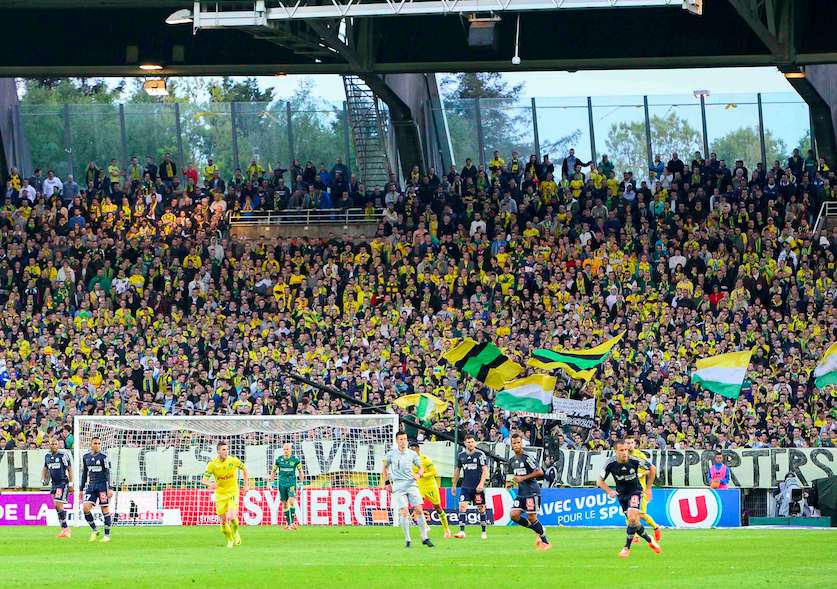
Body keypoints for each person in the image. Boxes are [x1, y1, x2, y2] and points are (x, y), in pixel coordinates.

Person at [597, 439, 662, 558]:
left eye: (626, 450)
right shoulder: (610, 464)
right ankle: (649, 540)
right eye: (621, 450)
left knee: (632, 516)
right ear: (615, 451)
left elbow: (652, 468)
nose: (625, 453)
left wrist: (648, 488)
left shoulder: (635, 460)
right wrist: (609, 490)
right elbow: (599, 481)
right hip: (621, 494)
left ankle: (626, 548)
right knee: (634, 522)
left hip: (635, 491)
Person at [382, 431, 433, 548]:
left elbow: (421, 468)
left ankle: (424, 537)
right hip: (398, 486)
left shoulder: (412, 454)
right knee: (404, 512)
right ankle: (408, 539)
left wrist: (419, 475)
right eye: (400, 439)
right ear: (396, 441)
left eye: (405, 439)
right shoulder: (391, 454)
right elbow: (384, 468)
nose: (403, 441)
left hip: (411, 484)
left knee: (419, 510)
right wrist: (387, 482)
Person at [507, 432, 550, 551]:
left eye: (518, 443)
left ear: (522, 443)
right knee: (514, 515)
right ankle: (538, 529)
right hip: (521, 493)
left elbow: (540, 472)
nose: (516, 445)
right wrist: (510, 483)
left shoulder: (527, 457)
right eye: (514, 443)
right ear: (511, 444)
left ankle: (545, 542)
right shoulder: (512, 460)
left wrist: (523, 478)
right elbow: (514, 476)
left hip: (531, 492)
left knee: (531, 517)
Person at [202, 441, 250, 548]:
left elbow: (244, 469)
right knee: (223, 521)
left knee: (232, 516)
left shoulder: (233, 460)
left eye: (227, 449)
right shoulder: (212, 464)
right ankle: (230, 539)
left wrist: (246, 485)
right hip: (220, 494)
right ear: (218, 451)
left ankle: (236, 532)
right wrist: (210, 484)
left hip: (233, 491)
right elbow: (204, 480)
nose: (226, 451)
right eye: (223, 449)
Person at [409, 440, 451, 539]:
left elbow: (434, 472)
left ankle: (446, 529)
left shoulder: (425, 460)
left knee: (437, 507)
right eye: (410, 450)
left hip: (430, 486)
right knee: (417, 506)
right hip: (419, 487)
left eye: (414, 450)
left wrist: (422, 475)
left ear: (418, 449)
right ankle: (426, 526)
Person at [451, 434, 489, 539]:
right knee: (462, 506)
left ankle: (484, 531)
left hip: (477, 487)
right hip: (466, 486)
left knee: (481, 508)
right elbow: (457, 470)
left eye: (472, 442)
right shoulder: (461, 455)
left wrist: (481, 483)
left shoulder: (480, 454)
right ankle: (462, 531)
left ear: (474, 442)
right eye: (468, 442)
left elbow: (485, 470)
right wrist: (454, 485)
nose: (471, 444)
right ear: (465, 443)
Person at [626, 436, 661, 542]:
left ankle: (656, 527)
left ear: (634, 444)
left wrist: (641, 474)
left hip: (639, 489)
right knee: (628, 514)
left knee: (640, 514)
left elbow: (650, 469)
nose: (629, 445)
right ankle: (635, 537)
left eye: (631, 443)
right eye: (627, 443)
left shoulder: (639, 456)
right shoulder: (624, 456)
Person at [80, 436, 113, 543]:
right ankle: (94, 530)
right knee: (85, 508)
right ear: (91, 444)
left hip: (102, 486)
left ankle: (107, 536)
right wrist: (81, 489)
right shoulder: (86, 457)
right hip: (91, 486)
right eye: (95, 443)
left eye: (99, 443)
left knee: (105, 510)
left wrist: (110, 487)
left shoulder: (104, 457)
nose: (97, 445)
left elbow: (108, 473)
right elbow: (84, 473)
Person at [42, 436, 73, 538]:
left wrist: (71, 483)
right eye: (52, 444)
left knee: (58, 505)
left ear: (58, 445)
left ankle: (66, 529)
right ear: (49, 445)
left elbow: (69, 469)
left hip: (62, 483)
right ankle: (64, 529)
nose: (54, 446)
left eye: (56, 444)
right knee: (56, 506)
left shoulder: (62, 455)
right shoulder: (47, 456)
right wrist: (43, 478)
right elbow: (45, 468)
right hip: (54, 484)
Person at [269, 442, 302, 530]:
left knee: (291, 501)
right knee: (284, 504)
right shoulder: (279, 460)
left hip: (291, 484)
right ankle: (288, 523)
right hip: (282, 484)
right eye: (284, 449)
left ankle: (291, 523)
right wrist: (271, 483)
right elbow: (273, 471)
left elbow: (301, 471)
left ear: (291, 450)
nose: (285, 451)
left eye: (287, 449)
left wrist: (301, 483)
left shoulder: (295, 460)